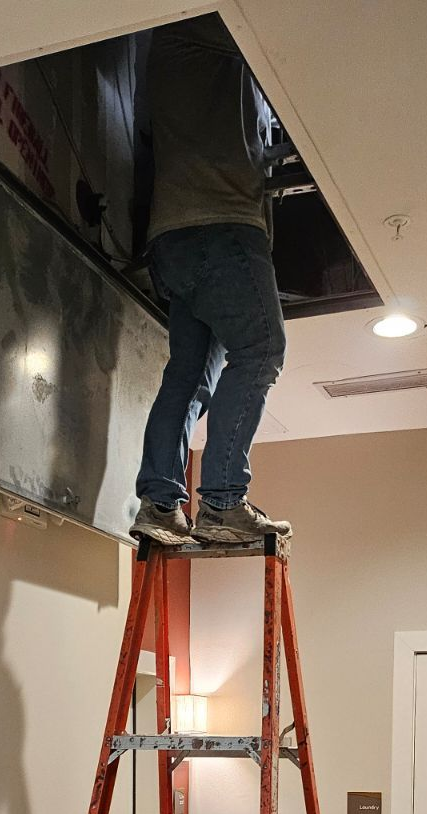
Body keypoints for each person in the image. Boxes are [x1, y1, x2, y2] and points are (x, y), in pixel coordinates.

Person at [130, 17, 291, 547]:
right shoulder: (210, 26)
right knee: (262, 347)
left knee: (190, 373)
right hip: (221, 226)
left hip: (172, 237)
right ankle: (221, 501)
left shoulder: (174, 52)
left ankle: (160, 503)